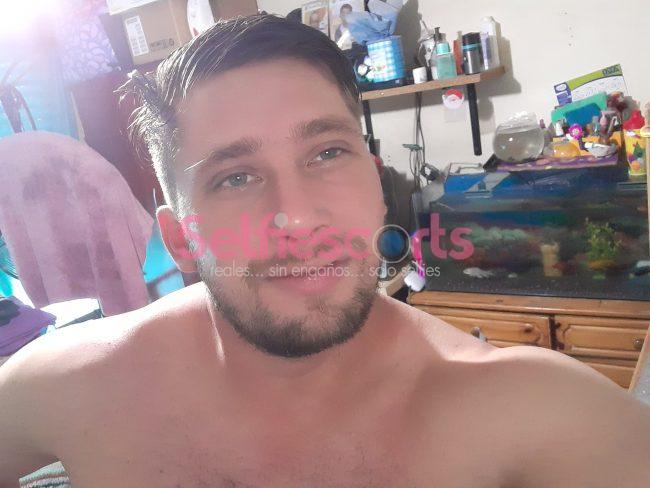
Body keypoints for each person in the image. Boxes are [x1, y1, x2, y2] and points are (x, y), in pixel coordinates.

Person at [1, 14, 649, 487]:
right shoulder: (82, 385)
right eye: (235, 177)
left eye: (327, 152)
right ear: (180, 240)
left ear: (376, 185)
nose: (298, 215)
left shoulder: (532, 414)